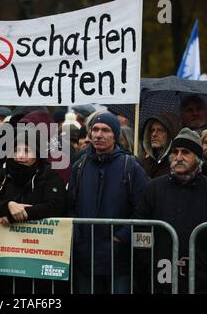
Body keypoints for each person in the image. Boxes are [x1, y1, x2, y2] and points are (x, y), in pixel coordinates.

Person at [134, 127, 207, 293]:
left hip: (198, 277)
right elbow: (140, 225)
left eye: (185, 152)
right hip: (157, 275)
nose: (178, 157)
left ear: (197, 157)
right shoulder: (154, 188)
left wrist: (204, 263)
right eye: (175, 152)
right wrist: (147, 261)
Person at [68, 112, 149, 294]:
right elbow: (71, 205)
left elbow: (142, 209)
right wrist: (79, 237)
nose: (98, 135)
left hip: (119, 257)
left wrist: (120, 237)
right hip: (85, 257)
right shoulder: (79, 166)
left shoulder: (131, 167)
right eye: (95, 130)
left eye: (105, 130)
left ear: (116, 135)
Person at [0, 127, 66, 293]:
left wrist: (18, 216)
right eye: (16, 150)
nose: (20, 155)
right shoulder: (3, 175)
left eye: (27, 150)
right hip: (5, 256)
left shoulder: (49, 176)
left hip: (39, 255)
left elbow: (55, 205)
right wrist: (8, 205)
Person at [141, 113, 181, 178]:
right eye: (152, 130)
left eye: (160, 130)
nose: (154, 134)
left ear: (170, 135)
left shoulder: (176, 164)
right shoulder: (144, 164)